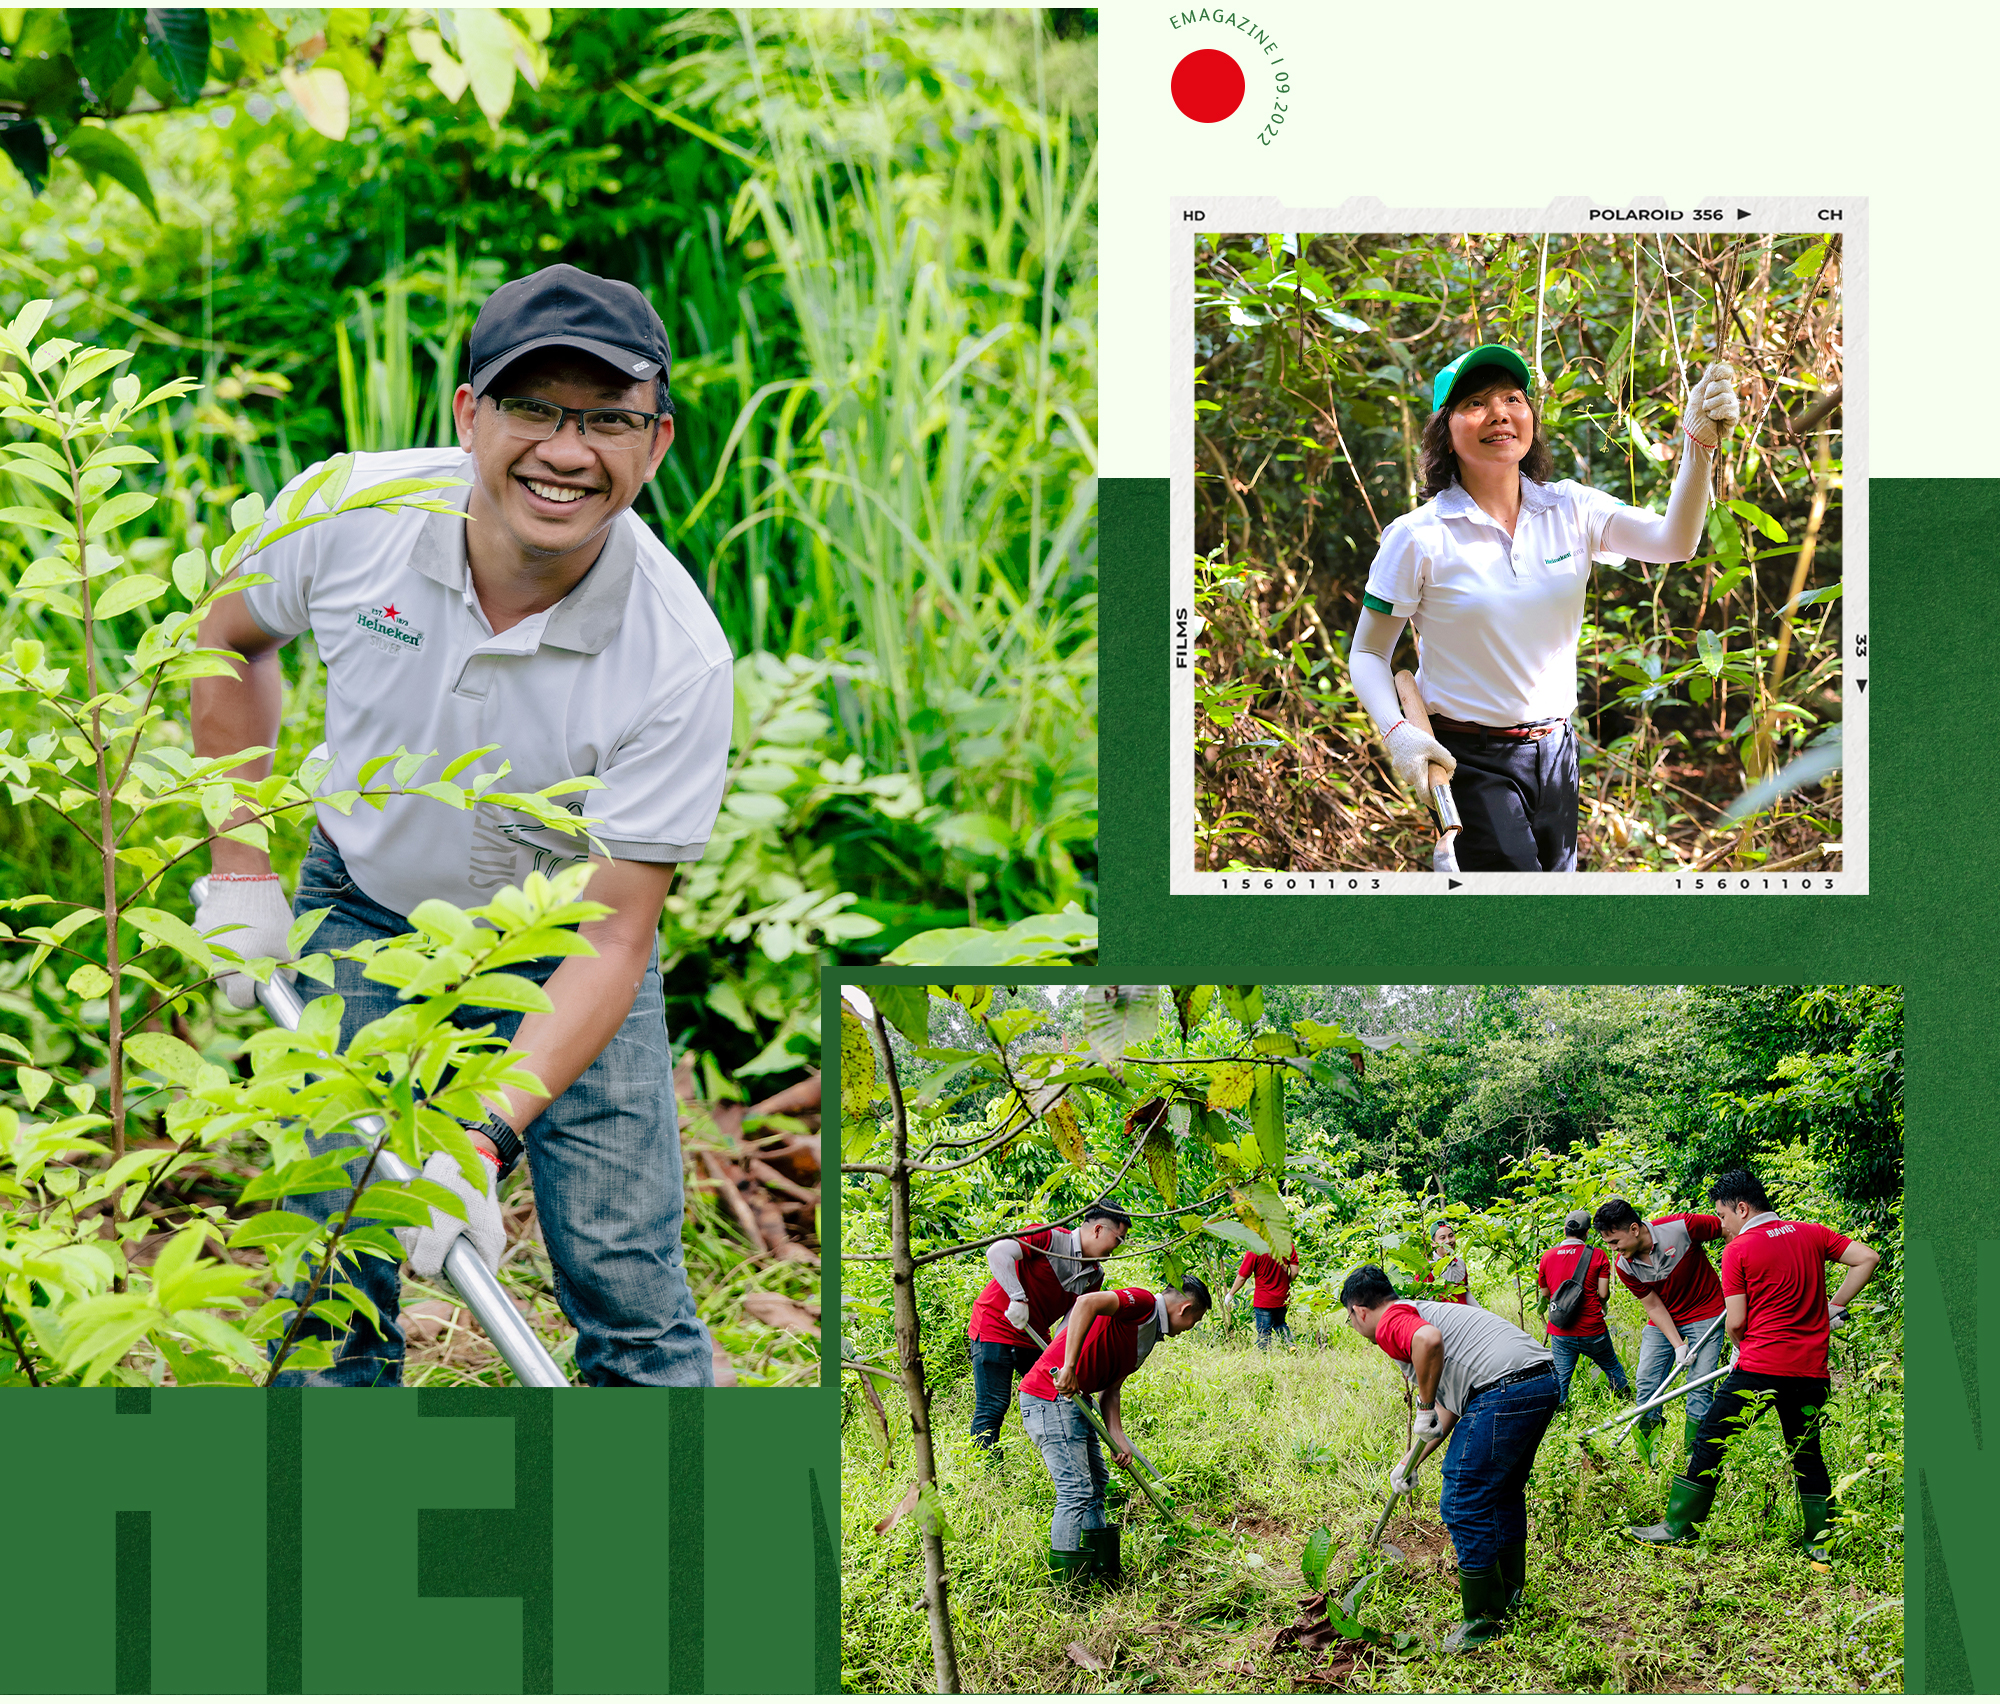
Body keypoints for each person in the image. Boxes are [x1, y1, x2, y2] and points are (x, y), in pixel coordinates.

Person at [191, 264, 733, 1386]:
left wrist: (474, 1138)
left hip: (560, 950)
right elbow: (227, 640)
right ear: (468, 413)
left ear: (658, 442)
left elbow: (615, 932)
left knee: (629, 1288)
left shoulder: (676, 657)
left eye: (608, 419)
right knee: (330, 1274)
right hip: (364, 909)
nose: (567, 450)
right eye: (533, 407)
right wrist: (240, 866)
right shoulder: (352, 514)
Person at [1345, 343, 1742, 871]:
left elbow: (1674, 543)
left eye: (1512, 398)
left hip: (1556, 753)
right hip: (1471, 759)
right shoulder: (1418, 536)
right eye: (1475, 403)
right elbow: (1370, 653)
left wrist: (1697, 447)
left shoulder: (1571, 507)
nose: (1499, 414)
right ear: (1444, 429)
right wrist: (1400, 736)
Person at [1631, 1171, 1880, 1557]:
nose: (1723, 1227)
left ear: (1742, 1208)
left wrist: (1740, 1349)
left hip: (1760, 1367)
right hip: (1811, 1371)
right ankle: (1820, 1543)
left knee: (1711, 1439)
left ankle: (1679, 1525)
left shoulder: (1739, 1250)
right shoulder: (1812, 1232)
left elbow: (1735, 1322)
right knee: (1806, 1450)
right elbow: (1867, 1258)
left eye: (1724, 1217)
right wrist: (1834, 1307)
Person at [1340, 1264, 1558, 1652]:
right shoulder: (1419, 1309)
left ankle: (1482, 1621)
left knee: (1462, 1499)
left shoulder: (1393, 1321)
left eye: (1350, 1321)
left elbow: (1428, 1340)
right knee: (1502, 1492)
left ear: (1359, 1311)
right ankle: (1509, 1595)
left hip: (1504, 1388)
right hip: (1539, 1380)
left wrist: (1421, 1406)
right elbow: (1449, 1411)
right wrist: (1409, 1462)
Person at [1017, 1277, 1213, 1584]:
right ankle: (1066, 1587)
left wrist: (1117, 1437)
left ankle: (1101, 1574)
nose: (1190, 1327)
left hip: (1077, 1400)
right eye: (1195, 1320)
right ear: (1185, 1308)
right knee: (1076, 1491)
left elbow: (1111, 1389)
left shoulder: (1147, 1337)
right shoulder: (1145, 1304)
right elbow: (1087, 1302)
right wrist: (1069, 1366)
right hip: (1050, 1396)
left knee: (1096, 1487)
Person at [965, 1203, 1132, 1450]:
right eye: (1118, 1240)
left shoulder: (1095, 1275)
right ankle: (983, 1471)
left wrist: (1066, 1362)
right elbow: (998, 1252)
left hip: (1034, 1338)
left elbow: (1073, 1321)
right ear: (1098, 1230)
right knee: (994, 1404)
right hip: (995, 1325)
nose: (1117, 1249)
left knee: (1059, 1395)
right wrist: (1017, 1297)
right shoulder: (1049, 1236)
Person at [1595, 1196, 1729, 1465]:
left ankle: (1695, 1459)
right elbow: (1653, 1305)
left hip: (1706, 1311)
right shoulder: (1624, 1265)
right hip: (1665, 1318)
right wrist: (1678, 1344)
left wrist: (1736, 1268)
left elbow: (1728, 1229)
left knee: (1699, 1383)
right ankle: (1648, 1459)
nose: (1612, 1249)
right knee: (1646, 1383)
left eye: (1615, 1241)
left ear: (1634, 1229)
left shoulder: (1682, 1227)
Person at [1535, 1210, 1631, 1407]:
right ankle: (1627, 1403)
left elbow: (1545, 1293)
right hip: (1592, 1328)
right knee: (1611, 1365)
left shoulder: (1547, 1257)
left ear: (1564, 1229)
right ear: (1587, 1233)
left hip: (1561, 1329)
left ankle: (1561, 1415)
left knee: (1561, 1377)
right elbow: (1603, 1293)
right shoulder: (1597, 1254)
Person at [1223, 1241, 1300, 1349]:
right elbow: (1295, 1271)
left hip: (1264, 1300)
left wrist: (1230, 1294)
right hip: (1282, 1297)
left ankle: (1264, 1358)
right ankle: (1290, 1345)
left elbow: (1242, 1276)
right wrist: (1286, 1283)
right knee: (1280, 1323)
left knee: (1264, 1331)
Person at [1430, 1219, 1473, 1304]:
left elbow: (1466, 1294)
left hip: (1464, 1314)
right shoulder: (1427, 1267)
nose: (1448, 1240)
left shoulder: (1460, 1263)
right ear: (1433, 1243)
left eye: (1451, 1236)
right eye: (1442, 1238)